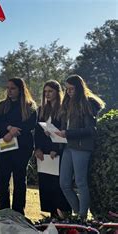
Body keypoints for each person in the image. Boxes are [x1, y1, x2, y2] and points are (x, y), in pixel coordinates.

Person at [56, 75, 105, 219]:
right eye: (67, 89)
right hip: (69, 147)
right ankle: (78, 213)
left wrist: (68, 133)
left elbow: (91, 130)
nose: (69, 92)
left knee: (80, 182)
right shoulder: (67, 103)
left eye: (72, 89)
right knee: (64, 183)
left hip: (82, 148)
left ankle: (82, 216)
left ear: (79, 88)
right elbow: (67, 126)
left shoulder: (87, 103)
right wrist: (56, 133)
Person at [0, 78, 37, 215]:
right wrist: (9, 129)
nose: (9, 91)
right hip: (5, 146)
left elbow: (30, 125)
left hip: (22, 148)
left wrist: (12, 133)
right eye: (8, 88)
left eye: (13, 88)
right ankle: (3, 212)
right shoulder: (2, 105)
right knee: (3, 180)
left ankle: (18, 212)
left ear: (20, 89)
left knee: (19, 180)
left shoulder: (29, 107)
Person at [34, 80, 71, 217]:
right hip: (43, 154)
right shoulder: (41, 110)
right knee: (46, 184)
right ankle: (51, 216)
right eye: (45, 92)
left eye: (50, 91)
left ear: (57, 92)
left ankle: (64, 215)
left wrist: (57, 148)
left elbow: (64, 131)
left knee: (59, 185)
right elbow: (37, 132)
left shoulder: (63, 109)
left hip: (58, 153)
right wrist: (37, 148)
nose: (47, 94)